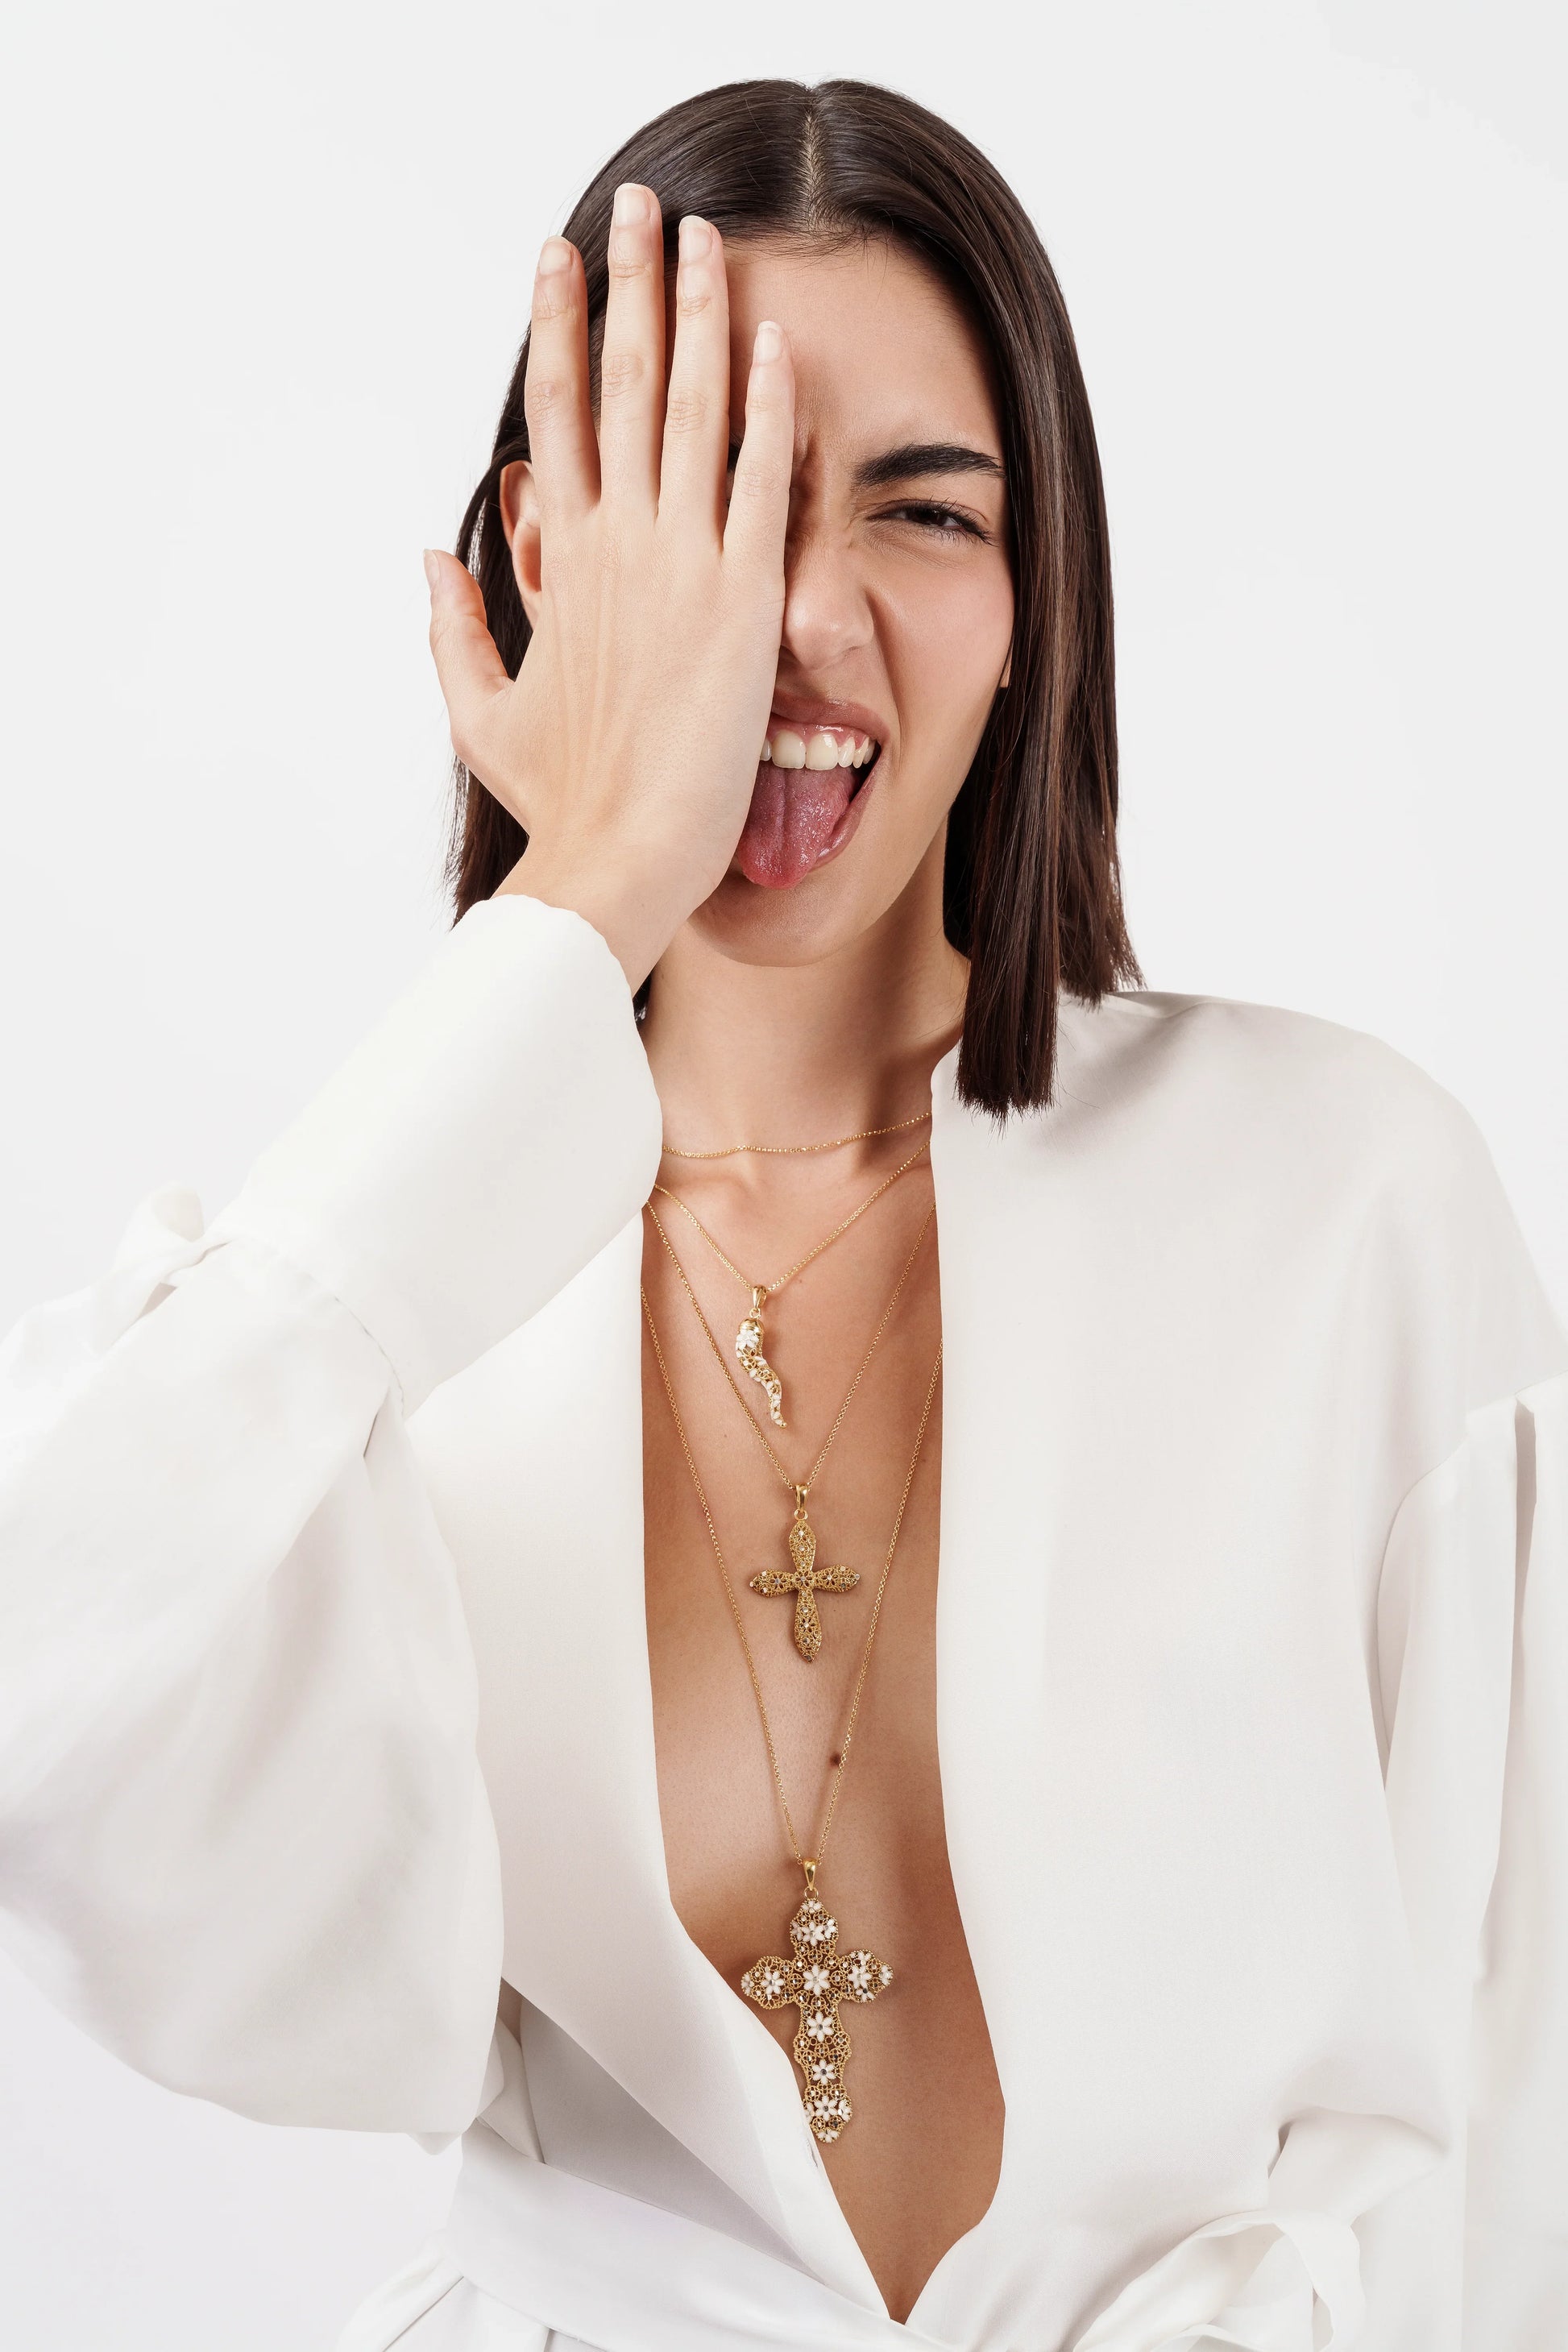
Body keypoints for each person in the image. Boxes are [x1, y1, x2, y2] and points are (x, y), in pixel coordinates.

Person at [1, 76, 1563, 2352]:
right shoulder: (391, 1297)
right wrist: (581, 893)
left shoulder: (1340, 1207)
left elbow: (1518, 2101)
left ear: (1035, 606)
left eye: (923, 515)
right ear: (558, 560)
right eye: (716, 507)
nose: (804, 623)